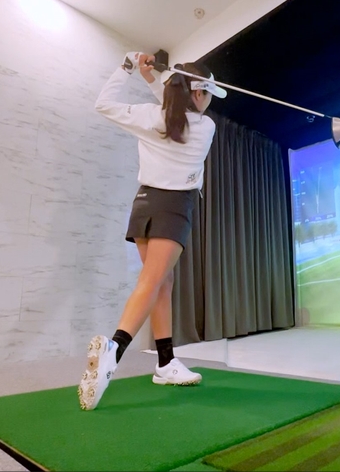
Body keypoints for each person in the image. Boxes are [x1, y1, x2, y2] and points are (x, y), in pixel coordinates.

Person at [77, 52, 227, 411]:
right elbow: (178, 108)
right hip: (173, 207)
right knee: (153, 280)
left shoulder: (150, 117)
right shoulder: (205, 127)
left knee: (162, 282)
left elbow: (105, 104)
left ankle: (165, 362)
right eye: (207, 94)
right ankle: (114, 350)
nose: (208, 101)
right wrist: (154, 79)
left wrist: (129, 68)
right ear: (198, 93)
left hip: (144, 205)